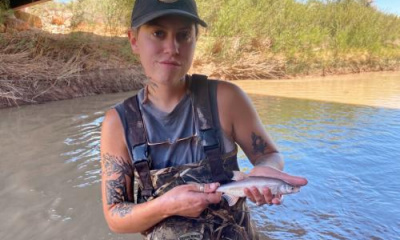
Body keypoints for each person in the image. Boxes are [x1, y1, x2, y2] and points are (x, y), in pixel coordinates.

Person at [100, 0, 308, 239]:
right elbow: (115, 217)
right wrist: (167, 205)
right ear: (134, 40)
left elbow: (268, 154)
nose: (172, 47)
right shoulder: (118, 123)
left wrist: (265, 171)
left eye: (184, 35)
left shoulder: (227, 99)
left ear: (195, 40)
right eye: (158, 33)